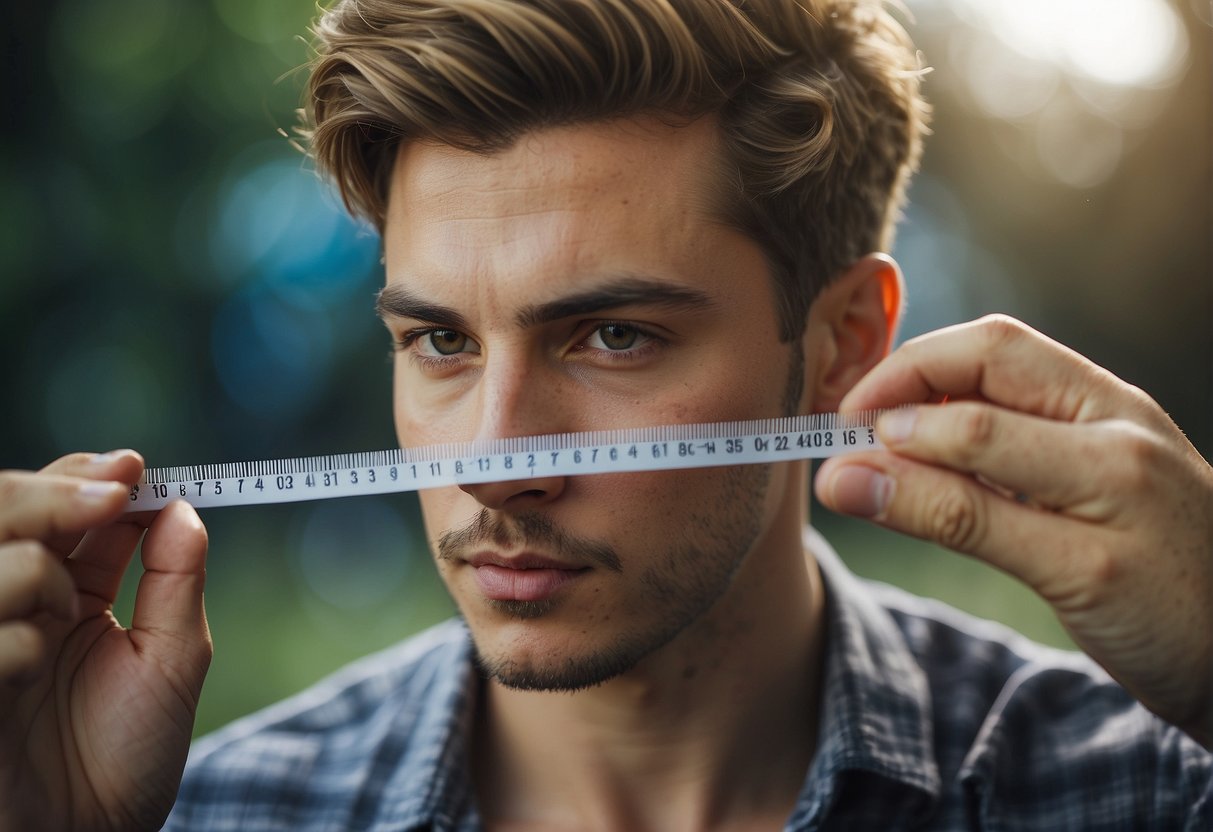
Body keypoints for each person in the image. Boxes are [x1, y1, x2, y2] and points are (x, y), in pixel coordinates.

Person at [1, 0, 1209, 829]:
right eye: (439, 340)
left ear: (840, 344)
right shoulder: (215, 809)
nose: (492, 466)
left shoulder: (1134, 787)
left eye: (613, 335)